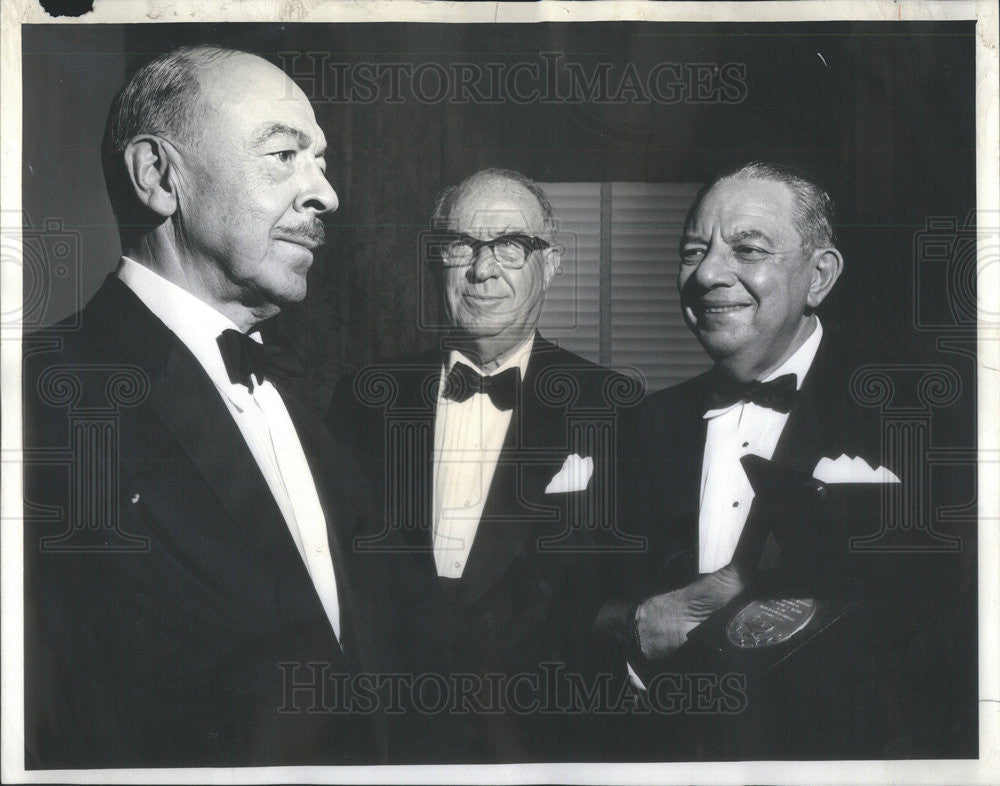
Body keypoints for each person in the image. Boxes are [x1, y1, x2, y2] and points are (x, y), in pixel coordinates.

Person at [23, 45, 381, 767]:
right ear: (159, 177)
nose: (327, 195)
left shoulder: (313, 420)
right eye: (284, 155)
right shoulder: (35, 399)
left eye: (321, 160)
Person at [610, 161, 974, 759]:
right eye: (693, 251)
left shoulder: (925, 417)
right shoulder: (642, 426)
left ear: (819, 276)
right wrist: (636, 628)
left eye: (747, 249)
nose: (707, 274)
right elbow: (582, 605)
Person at [329, 168, 641, 762]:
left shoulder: (612, 406)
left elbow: (624, 595)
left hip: (545, 742)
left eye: (511, 246)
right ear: (435, 261)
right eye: (460, 246)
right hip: (390, 737)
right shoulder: (365, 395)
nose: (482, 269)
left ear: (550, 264)